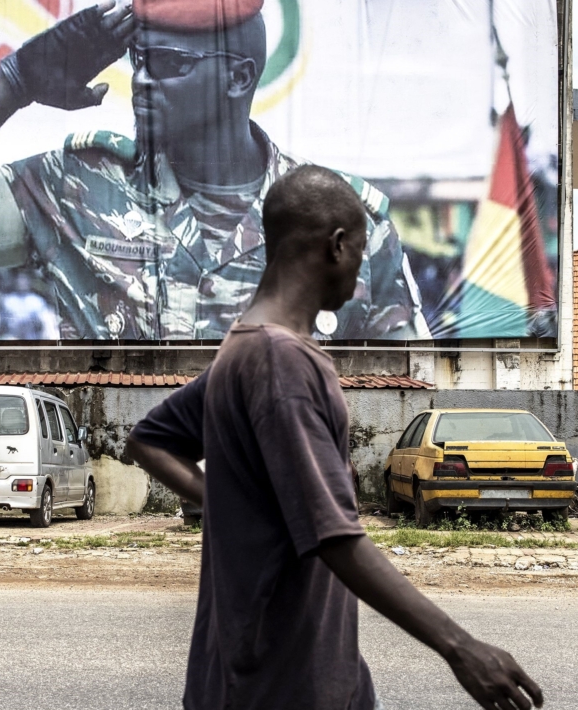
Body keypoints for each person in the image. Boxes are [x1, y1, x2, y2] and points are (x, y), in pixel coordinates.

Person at [124, 166, 543, 709]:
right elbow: (335, 538)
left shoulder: (245, 348)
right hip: (281, 685)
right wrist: (461, 648)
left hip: (275, 671)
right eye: (364, 250)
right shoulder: (282, 363)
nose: (363, 268)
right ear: (338, 245)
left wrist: (233, 505)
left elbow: (147, 440)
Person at [0, 0, 431, 341]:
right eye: (138, 60)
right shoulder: (77, 186)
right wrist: (14, 81)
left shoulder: (347, 217)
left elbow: (408, 388)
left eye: (169, 64)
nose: (143, 80)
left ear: (238, 79)